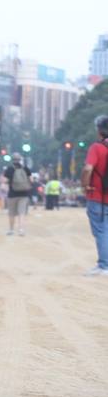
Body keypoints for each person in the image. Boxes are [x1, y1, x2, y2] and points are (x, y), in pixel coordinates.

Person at [80, 115, 108, 276]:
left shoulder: (96, 148)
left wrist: (85, 185)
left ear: (99, 130)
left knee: (101, 230)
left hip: (97, 195)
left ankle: (104, 266)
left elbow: (88, 168)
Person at [4, 152, 32, 236]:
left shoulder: (9, 169)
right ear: (20, 159)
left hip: (12, 194)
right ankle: (21, 230)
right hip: (24, 194)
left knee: (11, 213)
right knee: (21, 213)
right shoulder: (26, 168)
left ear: (12, 160)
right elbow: (31, 180)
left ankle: (11, 230)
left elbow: (5, 181)